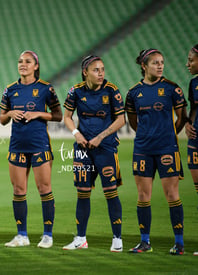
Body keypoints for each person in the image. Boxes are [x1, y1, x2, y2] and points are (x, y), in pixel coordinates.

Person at [125, 49, 187, 255]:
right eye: (155, 63)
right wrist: (146, 135)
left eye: (162, 62)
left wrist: (169, 135)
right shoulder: (133, 93)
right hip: (143, 149)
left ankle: (179, 244)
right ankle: (145, 242)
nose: (160, 66)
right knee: (143, 196)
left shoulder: (172, 89)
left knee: (172, 194)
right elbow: (133, 121)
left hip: (167, 148)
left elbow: (182, 117)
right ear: (144, 66)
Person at [62, 55, 125, 252]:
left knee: (110, 192)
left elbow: (121, 120)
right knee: (82, 193)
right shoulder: (76, 91)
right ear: (85, 72)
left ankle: (117, 239)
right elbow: (67, 116)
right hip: (83, 149)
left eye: (102, 69)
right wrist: (76, 133)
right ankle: (81, 238)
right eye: (96, 70)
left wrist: (101, 136)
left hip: (105, 147)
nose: (101, 73)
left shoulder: (111, 90)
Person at [0, 50, 62, 248]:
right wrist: (10, 112)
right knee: (18, 190)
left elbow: (58, 115)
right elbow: (1, 120)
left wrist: (38, 114)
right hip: (17, 145)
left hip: (39, 144)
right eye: (20, 61)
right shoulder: (10, 89)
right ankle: (22, 235)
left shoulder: (46, 88)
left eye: (27, 61)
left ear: (36, 66)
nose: (22, 64)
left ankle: (47, 235)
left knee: (44, 188)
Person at [184, 44, 198, 256]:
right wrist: (188, 123)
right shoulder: (194, 83)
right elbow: (194, 109)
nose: (187, 64)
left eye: (191, 60)